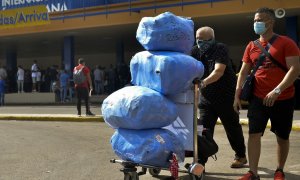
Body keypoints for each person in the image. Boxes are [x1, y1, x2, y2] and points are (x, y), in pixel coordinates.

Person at [234, 7, 300, 180]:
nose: (257, 23)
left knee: (282, 137)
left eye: (260, 20)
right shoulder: (251, 46)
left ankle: (279, 170)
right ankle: (253, 172)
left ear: (271, 22)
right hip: (257, 98)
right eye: (255, 20)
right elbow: (243, 72)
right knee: (253, 134)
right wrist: (237, 94)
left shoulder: (286, 42)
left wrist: (277, 90)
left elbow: (295, 69)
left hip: (283, 98)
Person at [190, 26, 247, 169]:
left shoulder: (220, 48)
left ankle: (240, 156)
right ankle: (200, 162)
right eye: (198, 39)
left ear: (212, 39)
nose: (200, 42)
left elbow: (218, 71)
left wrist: (203, 83)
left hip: (226, 97)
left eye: (204, 40)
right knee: (202, 130)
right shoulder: (194, 51)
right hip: (206, 98)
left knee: (232, 128)